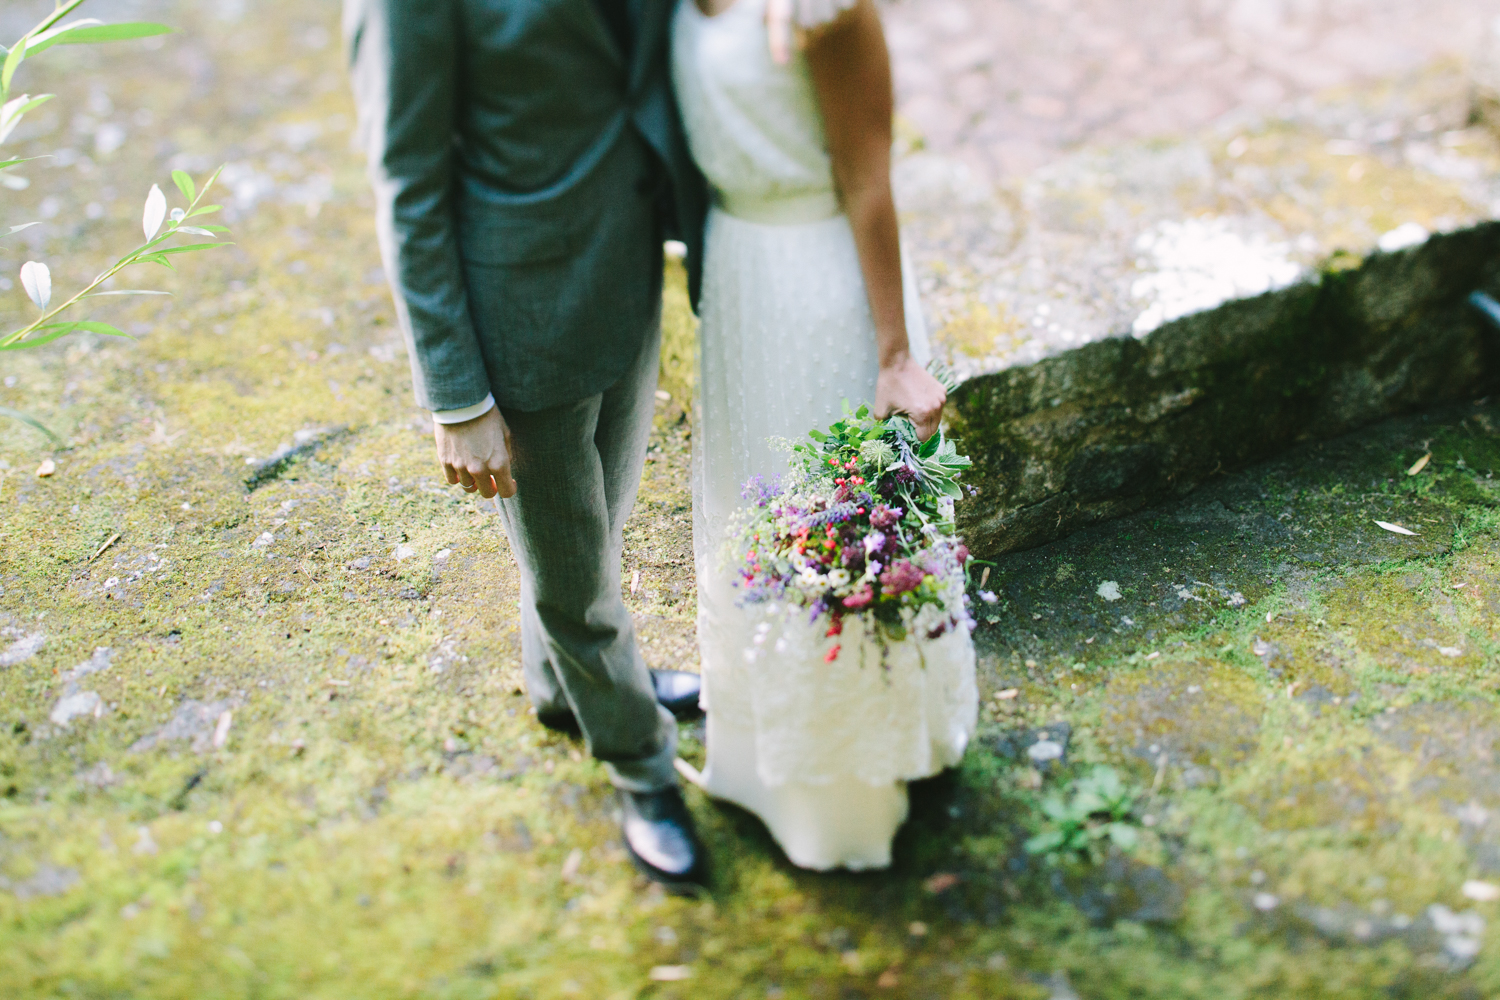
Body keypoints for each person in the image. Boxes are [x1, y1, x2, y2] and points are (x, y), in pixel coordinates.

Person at [342, 0, 794, 892]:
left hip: (623, 272)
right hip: (518, 323)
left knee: (602, 520)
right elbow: (407, 185)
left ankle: (558, 690)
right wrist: (457, 395)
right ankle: (643, 768)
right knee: (576, 582)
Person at [674, 0, 979, 869]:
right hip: (737, 276)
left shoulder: (827, 10)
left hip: (822, 288)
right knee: (752, 517)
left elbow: (870, 176)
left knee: (831, 529)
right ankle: (757, 755)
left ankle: (845, 789)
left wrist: (893, 354)